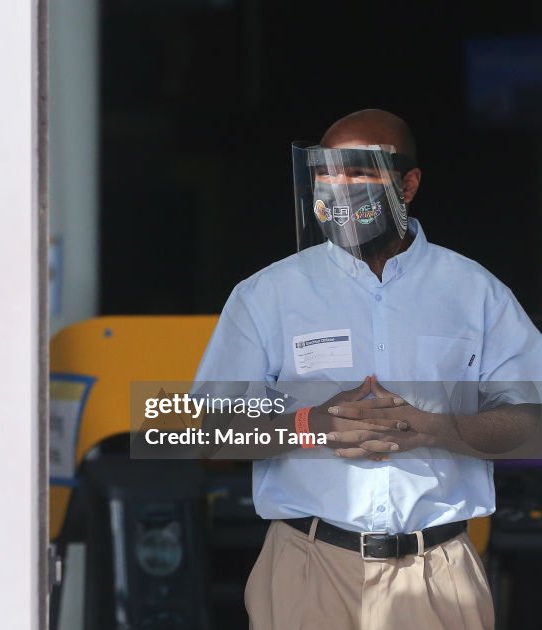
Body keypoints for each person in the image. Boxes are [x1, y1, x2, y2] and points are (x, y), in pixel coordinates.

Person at [193, 109, 542, 630]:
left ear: (409, 184)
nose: (339, 189)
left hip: (437, 573)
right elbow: (212, 432)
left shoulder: (476, 293)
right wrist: (310, 426)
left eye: (359, 173)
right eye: (326, 174)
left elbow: (532, 426)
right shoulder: (267, 295)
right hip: (307, 568)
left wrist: (441, 430)